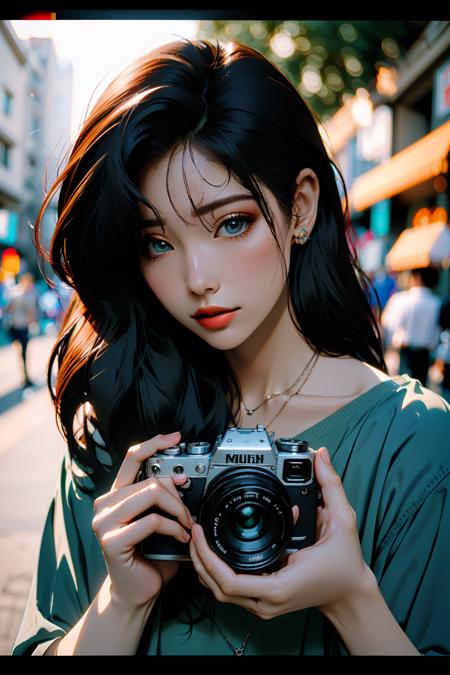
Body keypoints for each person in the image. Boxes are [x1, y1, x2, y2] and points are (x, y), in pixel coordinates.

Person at [11, 39, 450, 656]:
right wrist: (120, 604)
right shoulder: (115, 425)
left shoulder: (413, 442)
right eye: (157, 242)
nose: (197, 277)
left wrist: (351, 598)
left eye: (231, 223)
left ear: (299, 207)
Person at [380, 267, 441, 386]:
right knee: (422, 389)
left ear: (416, 277)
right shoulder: (437, 303)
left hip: (404, 352)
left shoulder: (402, 299)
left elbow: (388, 325)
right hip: (425, 353)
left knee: (403, 389)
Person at [4, 272, 39, 388]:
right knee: (23, 352)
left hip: (15, 326)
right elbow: (30, 312)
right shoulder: (27, 294)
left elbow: (8, 308)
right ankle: (26, 377)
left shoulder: (14, 291)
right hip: (21, 327)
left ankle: (25, 376)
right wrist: (33, 325)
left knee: (21, 352)